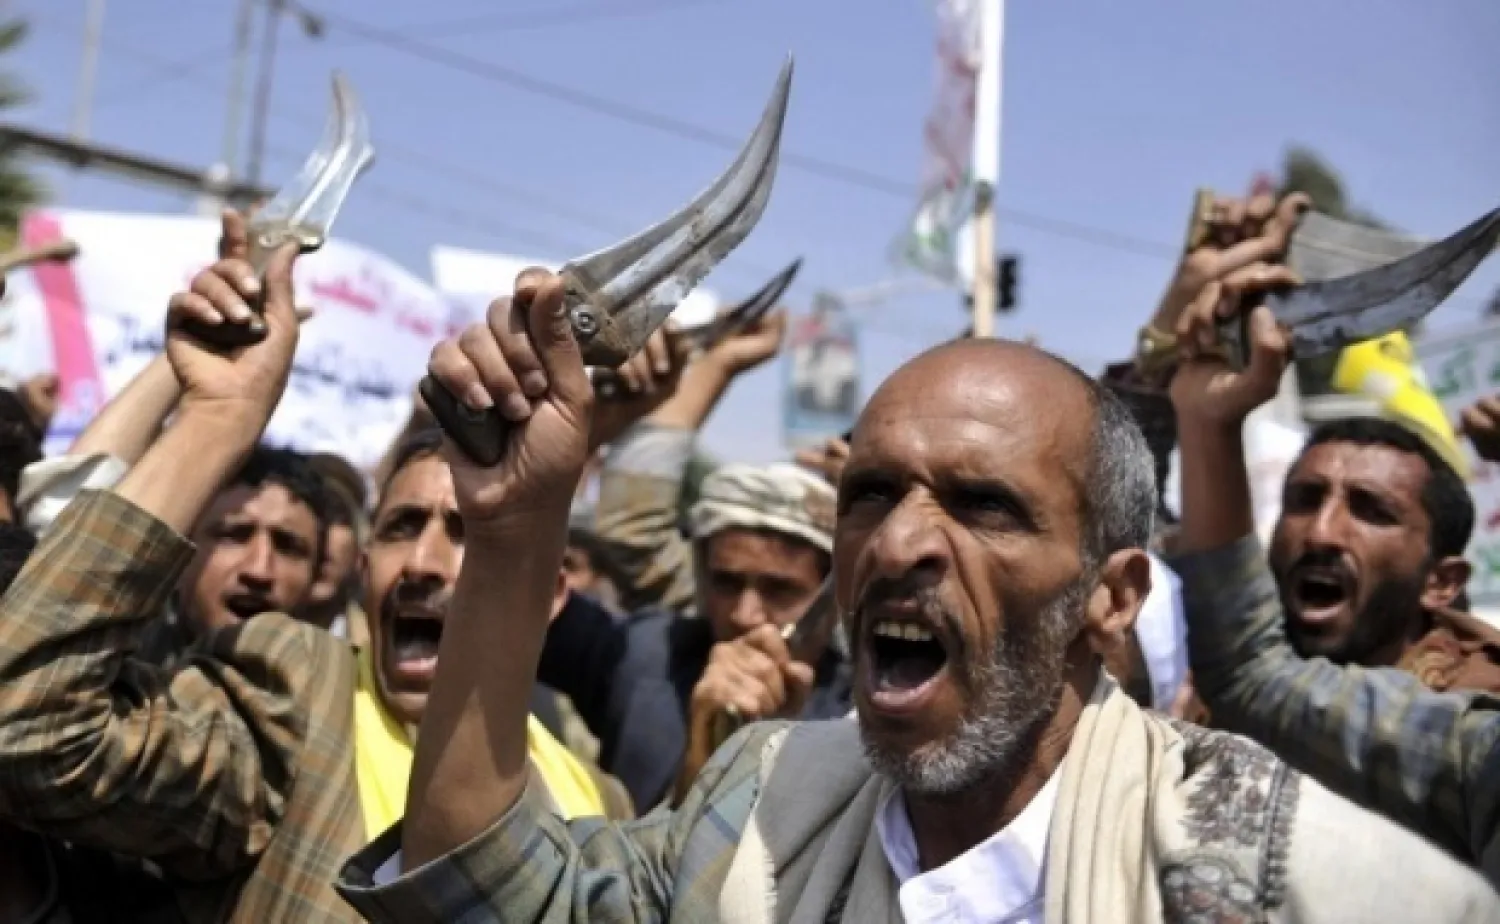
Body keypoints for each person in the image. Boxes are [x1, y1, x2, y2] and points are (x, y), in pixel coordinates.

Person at [337, 271, 1499, 922]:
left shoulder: (1280, 877)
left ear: (1112, 598)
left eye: (984, 506)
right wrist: (514, 528)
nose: (898, 543)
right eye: (873, 492)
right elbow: (494, 901)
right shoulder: (767, 801)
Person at [1169, 242, 1500, 884]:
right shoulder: (1190, 677)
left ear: (1443, 582)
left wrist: (1209, 423)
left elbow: (1249, 672)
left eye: (1371, 510)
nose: (1321, 532)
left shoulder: (1470, 727)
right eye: (1304, 499)